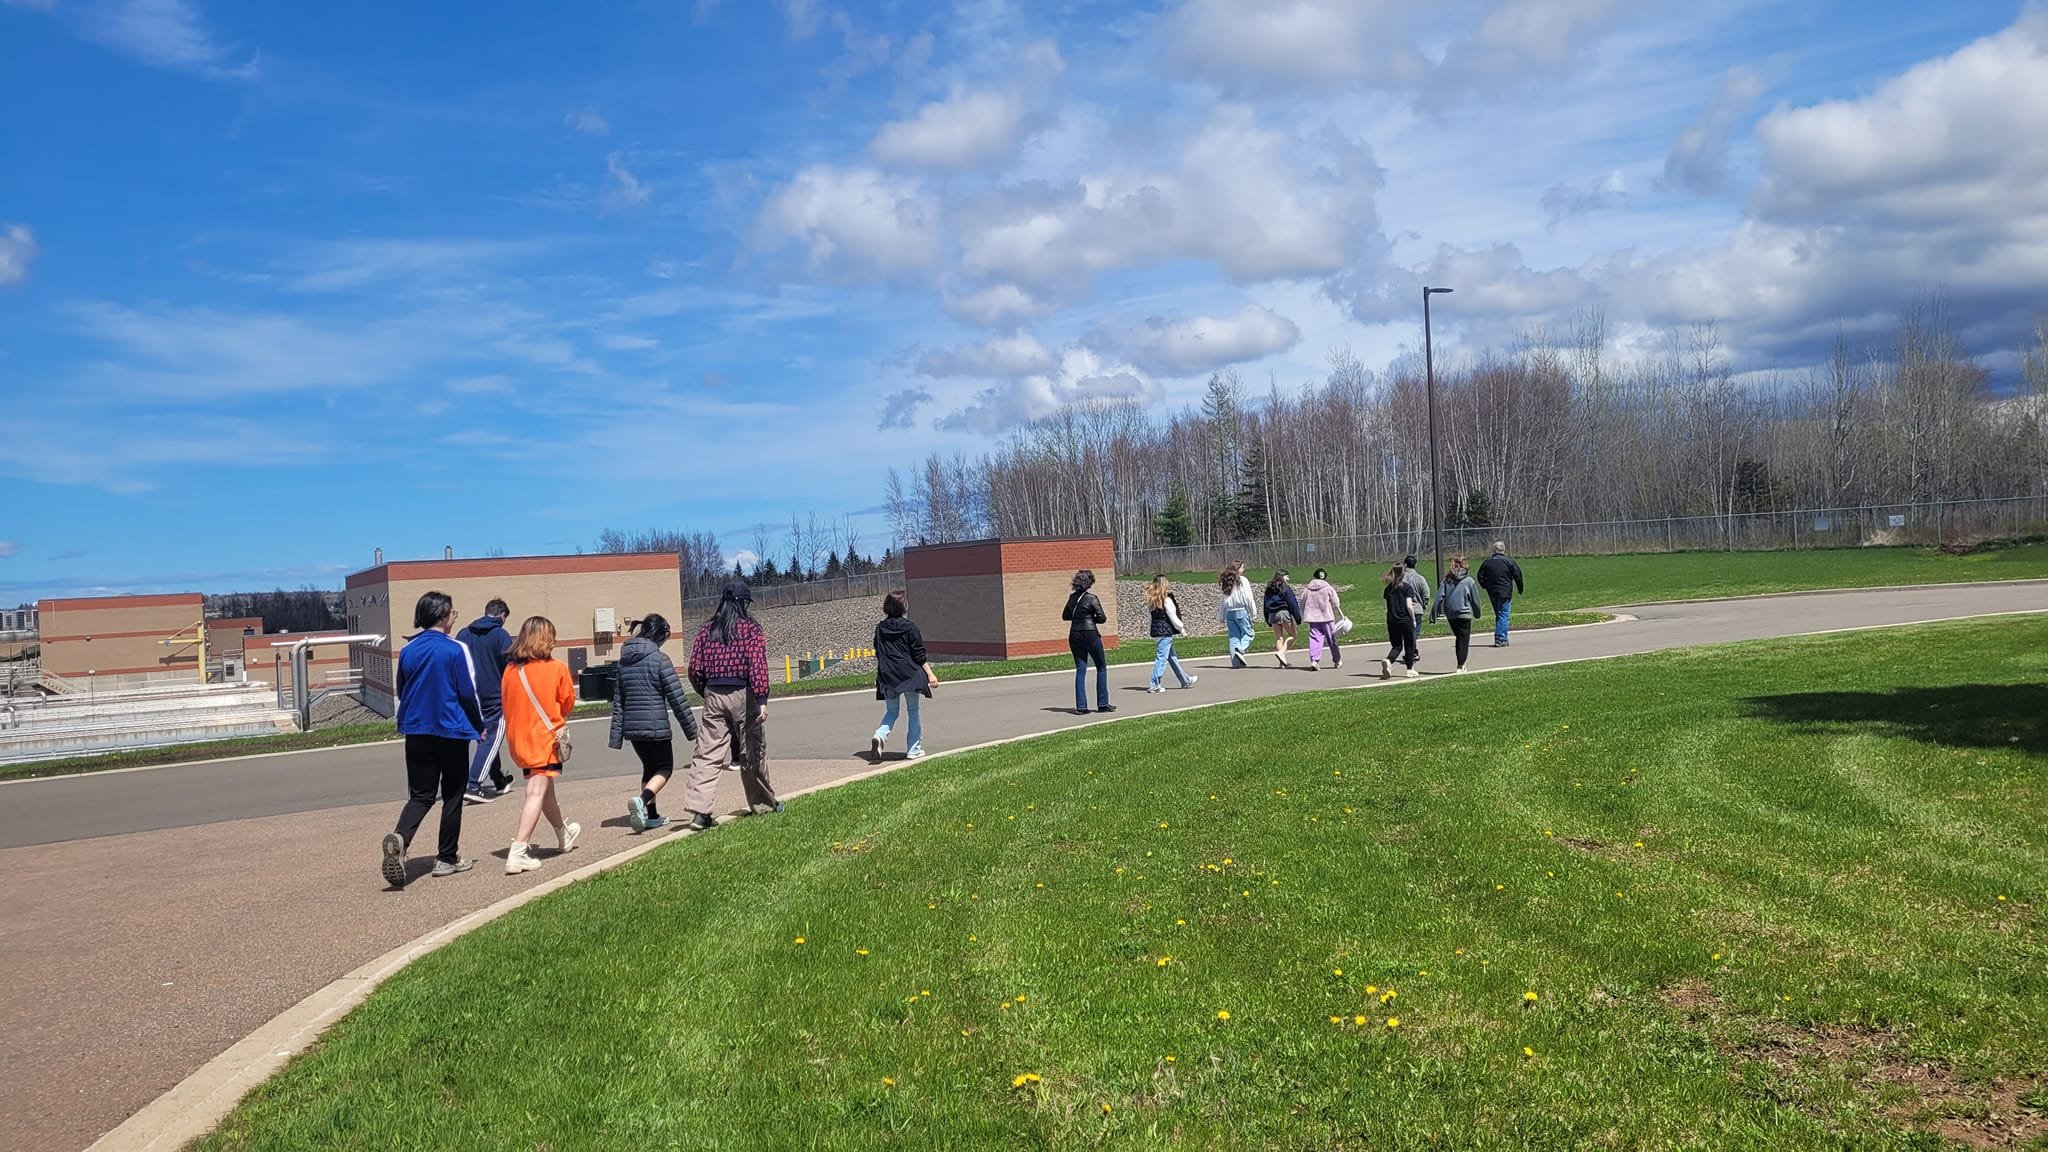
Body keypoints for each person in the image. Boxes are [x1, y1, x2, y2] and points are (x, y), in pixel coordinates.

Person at [380, 591, 485, 888]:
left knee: (421, 795)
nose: (454, 618)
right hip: (450, 729)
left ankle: (401, 837)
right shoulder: (455, 649)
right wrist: (479, 725)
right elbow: (468, 692)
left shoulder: (409, 650)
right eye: (452, 613)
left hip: (416, 730)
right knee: (452, 795)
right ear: (442, 616)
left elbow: (402, 690)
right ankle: (447, 857)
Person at [684, 580, 780, 828]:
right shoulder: (750, 630)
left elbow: (695, 668)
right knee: (752, 751)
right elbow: (757, 665)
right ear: (742, 603)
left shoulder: (706, 631)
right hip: (743, 694)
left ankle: (700, 811)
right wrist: (762, 699)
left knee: (707, 753)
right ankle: (762, 804)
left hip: (713, 693)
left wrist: (704, 691)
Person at [500, 616, 582, 875]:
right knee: (536, 791)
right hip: (544, 737)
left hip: (519, 739)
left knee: (545, 790)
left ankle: (563, 833)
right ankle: (519, 850)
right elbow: (567, 702)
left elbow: (506, 703)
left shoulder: (511, 670)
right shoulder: (555, 668)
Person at [610, 614, 699, 834]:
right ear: (658, 635)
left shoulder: (624, 661)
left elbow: (618, 700)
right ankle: (642, 800)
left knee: (648, 768)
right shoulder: (660, 659)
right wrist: (692, 730)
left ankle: (651, 816)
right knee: (664, 768)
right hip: (655, 725)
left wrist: (616, 735)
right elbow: (677, 698)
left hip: (633, 728)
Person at [457, 598, 516, 803]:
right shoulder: (501, 636)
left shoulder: (463, 634)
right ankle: (473, 785)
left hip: (469, 697)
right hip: (494, 697)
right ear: (501, 615)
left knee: (485, 740)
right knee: (491, 739)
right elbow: (510, 667)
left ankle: (498, 780)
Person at [871, 589, 938, 760]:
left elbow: (878, 651)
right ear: (903, 606)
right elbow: (919, 654)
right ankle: (913, 749)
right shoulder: (910, 627)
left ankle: (880, 735)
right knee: (913, 711)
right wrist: (930, 674)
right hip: (910, 674)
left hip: (888, 675)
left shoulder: (880, 628)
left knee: (892, 711)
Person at [1061, 570, 1114, 715]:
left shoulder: (1072, 598)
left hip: (1074, 635)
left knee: (1080, 669)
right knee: (1101, 666)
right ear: (1089, 583)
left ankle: (1081, 706)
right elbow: (1102, 618)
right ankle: (1102, 703)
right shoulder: (1092, 598)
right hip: (1090, 634)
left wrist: (1078, 618)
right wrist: (1090, 619)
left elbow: (1065, 616)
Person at [1145, 575, 1198, 693]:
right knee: (1161, 659)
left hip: (1157, 633)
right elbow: (1173, 617)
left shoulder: (1152, 601)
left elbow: (1149, 619)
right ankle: (1154, 684)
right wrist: (1182, 629)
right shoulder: (1166, 600)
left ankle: (1185, 680)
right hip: (1165, 634)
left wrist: (1151, 632)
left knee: (1172, 658)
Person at [1431, 555, 1484, 673]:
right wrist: (1477, 613)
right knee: (1463, 639)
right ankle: (1461, 665)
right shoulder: (1469, 581)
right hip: (1464, 613)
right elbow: (1475, 600)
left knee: (1459, 637)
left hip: (1451, 614)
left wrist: (1434, 612)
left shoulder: (1446, 580)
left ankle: (1460, 663)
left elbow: (1439, 597)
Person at [1477, 541, 1525, 647]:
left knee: (1499, 614)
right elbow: (1518, 575)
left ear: (1494, 550)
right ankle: (1501, 638)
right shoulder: (1509, 562)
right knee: (1503, 614)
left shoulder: (1487, 562)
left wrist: (1485, 586)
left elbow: (1480, 576)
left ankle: (1501, 636)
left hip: (1492, 592)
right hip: (1505, 592)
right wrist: (1520, 588)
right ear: (1503, 550)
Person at [1379, 564, 1422, 679]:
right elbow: (1409, 606)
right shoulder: (1407, 588)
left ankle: (1389, 660)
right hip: (1405, 619)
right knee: (1409, 644)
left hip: (1392, 620)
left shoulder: (1388, 589)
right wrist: (1413, 619)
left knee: (1397, 646)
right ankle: (1410, 669)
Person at [1388, 556, 1430, 671]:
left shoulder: (1401, 579)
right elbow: (1426, 593)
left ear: (1405, 565)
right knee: (1413, 635)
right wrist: (1424, 604)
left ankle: (1412, 653)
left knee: (1408, 637)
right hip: (1415, 608)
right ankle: (1411, 657)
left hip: (1400, 611)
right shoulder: (1420, 578)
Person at [1299, 568, 1344, 671]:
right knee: (1331, 639)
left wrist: (1303, 613)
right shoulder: (1328, 588)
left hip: (1313, 618)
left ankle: (1315, 660)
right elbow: (1336, 603)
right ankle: (1337, 660)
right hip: (1327, 617)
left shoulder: (1308, 589)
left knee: (1315, 639)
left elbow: (1302, 602)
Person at [1216, 562, 1257, 668]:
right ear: (1238, 569)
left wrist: (1221, 616)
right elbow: (1248, 598)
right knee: (1249, 634)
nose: (1244, 569)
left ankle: (1235, 662)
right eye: (1242, 567)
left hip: (1230, 612)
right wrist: (1253, 613)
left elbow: (1223, 600)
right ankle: (1241, 649)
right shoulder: (1243, 581)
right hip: (1241, 611)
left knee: (1234, 637)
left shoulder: (1227, 581)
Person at [1263, 569, 1303, 668]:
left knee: (1279, 637)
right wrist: (1298, 618)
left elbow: (1265, 605)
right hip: (1283, 613)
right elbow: (1292, 603)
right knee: (1293, 635)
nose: (1288, 578)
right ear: (1282, 577)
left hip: (1272, 614)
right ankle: (1282, 652)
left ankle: (1282, 663)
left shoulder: (1269, 589)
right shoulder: (1285, 588)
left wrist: (1267, 618)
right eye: (1287, 576)